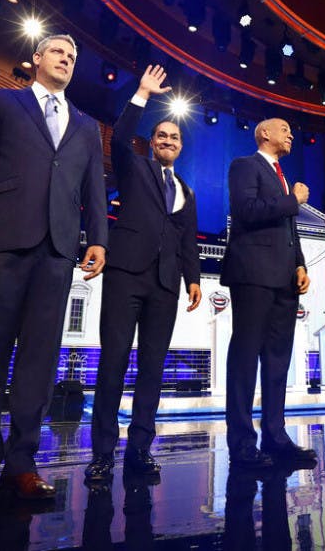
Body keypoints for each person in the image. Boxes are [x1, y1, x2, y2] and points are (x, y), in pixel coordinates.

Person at [0, 34, 107, 503]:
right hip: (1, 239)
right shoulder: (2, 101)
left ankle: (23, 461)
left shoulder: (87, 126)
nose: (66, 60)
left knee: (39, 359)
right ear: (37, 58)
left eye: (73, 57)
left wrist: (99, 238)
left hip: (58, 249)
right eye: (58, 52)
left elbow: (94, 189)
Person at [85, 66, 202, 484]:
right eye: (161, 136)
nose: (168, 141)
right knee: (113, 363)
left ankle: (140, 450)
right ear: (152, 143)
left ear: (180, 147)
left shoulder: (187, 190)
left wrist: (193, 279)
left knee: (152, 369)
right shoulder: (135, 167)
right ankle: (102, 454)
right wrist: (142, 95)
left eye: (174, 138)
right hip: (125, 275)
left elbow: (188, 239)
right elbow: (118, 139)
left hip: (166, 284)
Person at [220, 118, 317, 469]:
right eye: (284, 129)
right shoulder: (245, 166)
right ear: (264, 134)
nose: (291, 133)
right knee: (245, 359)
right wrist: (294, 200)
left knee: (278, 361)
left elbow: (290, 230)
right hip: (253, 274)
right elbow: (246, 211)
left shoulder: (282, 176)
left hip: (285, 279)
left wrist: (300, 264)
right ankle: (242, 444)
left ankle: (276, 437)